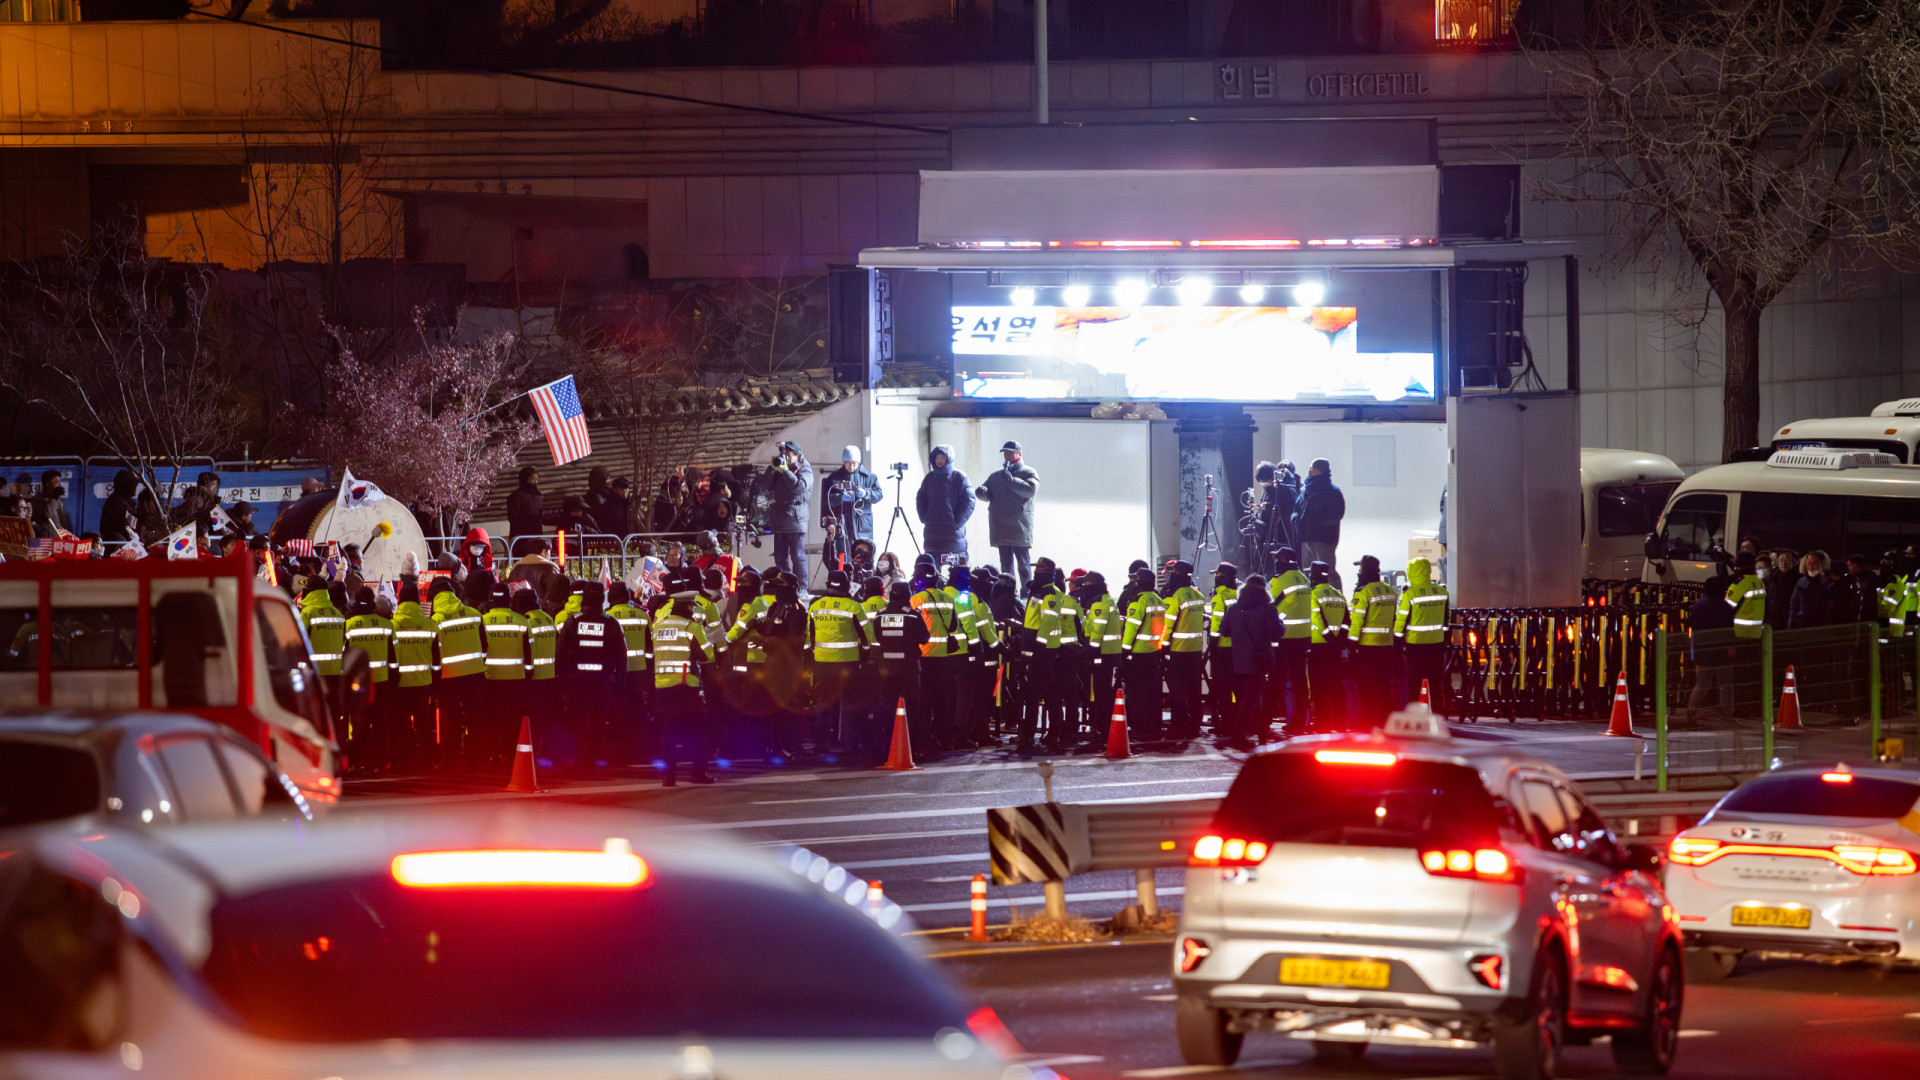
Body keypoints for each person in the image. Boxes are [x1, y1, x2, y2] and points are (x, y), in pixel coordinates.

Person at [652, 590, 717, 785]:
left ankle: (668, 776)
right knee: (697, 731)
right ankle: (698, 774)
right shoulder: (692, 627)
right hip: (686, 685)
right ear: (687, 607)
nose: (693, 611)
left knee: (670, 731)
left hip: (662, 685)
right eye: (692, 607)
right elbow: (709, 656)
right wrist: (710, 640)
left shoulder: (658, 626)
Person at [806, 569, 875, 751]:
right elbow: (868, 634)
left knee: (823, 701)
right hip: (848, 662)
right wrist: (866, 653)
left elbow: (808, 633)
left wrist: (812, 654)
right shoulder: (853, 606)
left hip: (822, 662)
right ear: (846, 585)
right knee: (850, 702)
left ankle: (821, 744)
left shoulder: (815, 605)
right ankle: (849, 744)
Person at [556, 579, 621, 769]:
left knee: (575, 718)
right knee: (597, 721)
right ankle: (591, 759)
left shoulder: (572, 621)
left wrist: (561, 679)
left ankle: (574, 757)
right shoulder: (611, 623)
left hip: (575, 681)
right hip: (602, 682)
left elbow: (560, 652)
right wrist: (620, 681)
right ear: (602, 599)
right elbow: (620, 655)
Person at [1219, 575, 1281, 747]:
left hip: (1238, 660)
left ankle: (1261, 733)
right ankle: (1238, 734)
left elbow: (1223, 630)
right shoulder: (1268, 609)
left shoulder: (1234, 608)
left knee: (1250, 698)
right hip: (1259, 660)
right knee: (1252, 698)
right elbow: (1278, 632)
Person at [976, 441, 1039, 593]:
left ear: (1019, 453)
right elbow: (987, 492)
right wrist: (982, 492)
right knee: (1006, 565)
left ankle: (1026, 593)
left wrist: (1011, 480)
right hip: (1001, 527)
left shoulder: (1029, 472)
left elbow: (1030, 490)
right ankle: (1009, 593)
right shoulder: (997, 475)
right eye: (1005, 452)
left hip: (1019, 527)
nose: (1007, 455)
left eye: (1011, 452)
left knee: (1023, 564)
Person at [343, 586, 394, 773]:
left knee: (358, 724)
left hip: (358, 685)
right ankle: (380, 763)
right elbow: (393, 658)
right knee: (381, 724)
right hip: (381, 681)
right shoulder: (387, 625)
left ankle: (358, 763)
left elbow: (345, 657)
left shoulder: (349, 625)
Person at [1347, 555, 1400, 724]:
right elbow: (1394, 619)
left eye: (1361, 568)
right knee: (1383, 687)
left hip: (1367, 648)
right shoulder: (1389, 591)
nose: (1359, 572)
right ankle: (1385, 722)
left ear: (1366, 570)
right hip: (1386, 646)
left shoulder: (1364, 592)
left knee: (1366, 688)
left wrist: (1352, 645)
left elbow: (1357, 621)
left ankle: (1367, 723)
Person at [1118, 564, 1167, 742]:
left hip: (1138, 654)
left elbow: (1131, 629)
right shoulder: (1158, 599)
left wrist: (1124, 650)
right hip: (1154, 653)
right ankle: (1153, 727)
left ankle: (1140, 728)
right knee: (1153, 693)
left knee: (1138, 694)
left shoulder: (1138, 601)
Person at [1395, 555, 1450, 712]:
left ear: (1411, 572)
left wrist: (1397, 640)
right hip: (1437, 645)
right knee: (1435, 683)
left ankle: (1414, 716)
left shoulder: (1410, 594)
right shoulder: (1442, 591)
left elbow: (1401, 620)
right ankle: (1438, 714)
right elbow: (1447, 618)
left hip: (1415, 645)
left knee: (1414, 684)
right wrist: (1443, 638)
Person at [1162, 560, 1209, 741]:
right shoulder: (1197, 595)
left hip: (1178, 651)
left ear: (1178, 575)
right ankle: (1195, 723)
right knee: (1193, 689)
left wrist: (1163, 647)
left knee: (1177, 690)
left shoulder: (1178, 596)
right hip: (1195, 650)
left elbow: (1168, 625)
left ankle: (1178, 725)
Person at [820, 445, 884, 574]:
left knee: (865, 558)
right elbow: (828, 499)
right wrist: (840, 498)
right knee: (843, 558)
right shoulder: (835, 477)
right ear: (843, 462)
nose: (851, 466)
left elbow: (879, 495)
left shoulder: (869, 477)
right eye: (848, 463)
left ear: (858, 462)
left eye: (854, 463)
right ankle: (844, 583)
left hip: (863, 527)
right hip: (843, 526)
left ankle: (865, 585)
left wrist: (865, 493)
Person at [1306, 561, 1350, 730]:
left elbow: (1317, 620)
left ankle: (1323, 723)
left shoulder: (1313, 595)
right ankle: (1341, 723)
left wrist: (1328, 637)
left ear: (1313, 575)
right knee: (1336, 686)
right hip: (1335, 648)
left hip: (1319, 647)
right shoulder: (1338, 594)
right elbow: (1347, 620)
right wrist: (1339, 639)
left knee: (1319, 687)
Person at [764, 441, 814, 586]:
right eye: (783, 455)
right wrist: (772, 469)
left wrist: (785, 471)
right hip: (780, 519)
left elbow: (799, 487)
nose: (785, 458)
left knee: (797, 556)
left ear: (797, 455)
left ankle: (801, 587)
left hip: (796, 519)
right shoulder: (780, 468)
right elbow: (766, 486)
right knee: (780, 558)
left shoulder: (806, 469)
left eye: (788, 455)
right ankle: (784, 584)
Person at [916, 444, 975, 563]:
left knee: (958, 573)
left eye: (942, 458)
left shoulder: (960, 477)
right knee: (931, 572)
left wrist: (957, 521)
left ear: (949, 459)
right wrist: (924, 518)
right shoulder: (929, 478)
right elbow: (921, 499)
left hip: (953, 535)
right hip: (932, 535)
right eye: (937, 458)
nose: (939, 461)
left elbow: (969, 501)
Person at [1294, 458, 1347, 588]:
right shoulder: (1305, 490)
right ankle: (1313, 601)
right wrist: (1296, 520)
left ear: (1320, 470)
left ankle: (1336, 600)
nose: (1309, 470)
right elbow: (1296, 509)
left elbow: (1336, 515)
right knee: (1308, 573)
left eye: (1311, 468)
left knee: (1327, 573)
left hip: (1323, 539)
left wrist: (1314, 523)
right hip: (1306, 538)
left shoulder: (1332, 491)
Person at [1725, 552, 1766, 639]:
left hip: (1740, 633)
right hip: (1757, 632)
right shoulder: (1760, 582)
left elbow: (1726, 609)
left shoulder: (1740, 584)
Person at [1789, 550, 1833, 629]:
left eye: (1815, 564)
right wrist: (1791, 625)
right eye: (1809, 564)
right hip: (1802, 623)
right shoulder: (1801, 582)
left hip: (1821, 624)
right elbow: (1794, 605)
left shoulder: (1828, 583)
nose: (1811, 567)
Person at [507, 466, 544, 555]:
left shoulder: (538, 496)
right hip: (522, 536)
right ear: (525, 479)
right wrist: (529, 520)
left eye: (537, 479)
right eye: (533, 479)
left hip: (536, 533)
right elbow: (513, 517)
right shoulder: (516, 496)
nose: (535, 482)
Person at [100, 468, 141, 546]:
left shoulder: (124, 502)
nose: (135, 489)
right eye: (133, 486)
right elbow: (123, 529)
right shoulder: (117, 503)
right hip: (120, 547)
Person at [30, 469, 71, 539]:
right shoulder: (38, 500)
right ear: (47, 484)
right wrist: (54, 498)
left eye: (59, 482)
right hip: (48, 539)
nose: (60, 485)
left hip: (61, 536)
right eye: (56, 482)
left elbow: (63, 519)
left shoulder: (58, 500)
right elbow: (49, 515)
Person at [1765, 549, 1799, 631]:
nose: (1784, 562)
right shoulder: (1771, 578)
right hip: (1773, 619)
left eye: (1787, 559)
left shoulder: (1798, 579)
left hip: (1790, 619)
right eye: (1781, 560)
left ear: (1793, 562)